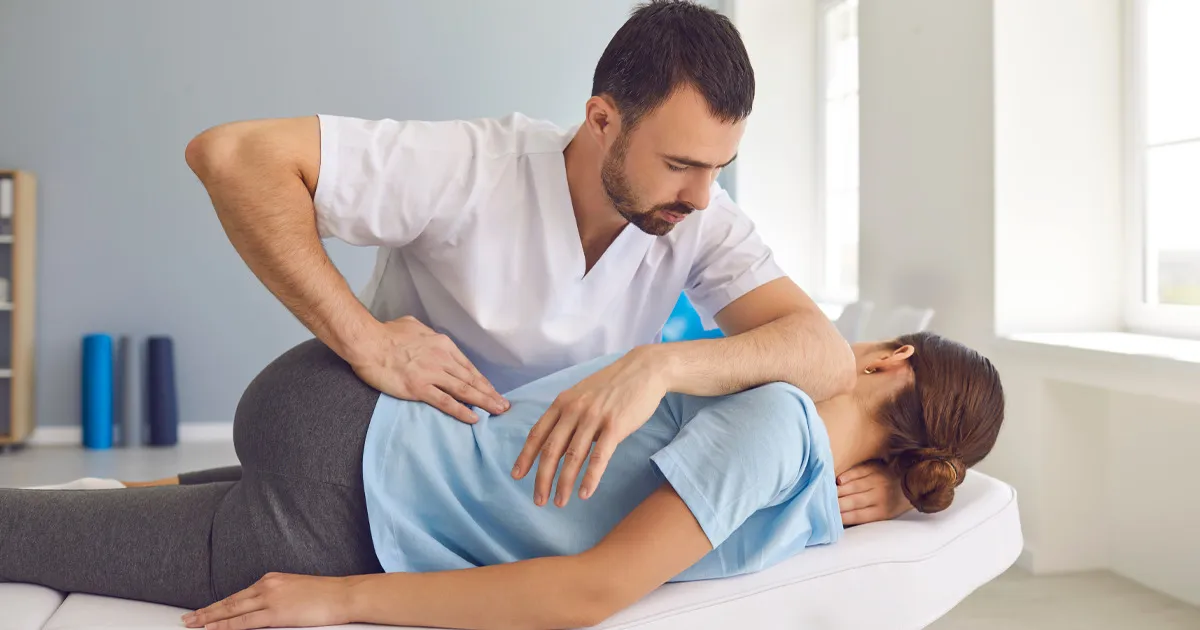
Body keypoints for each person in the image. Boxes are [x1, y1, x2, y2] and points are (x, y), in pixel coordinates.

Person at [181, 0, 909, 526]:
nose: (702, 194)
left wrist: (657, 367)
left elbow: (820, 352)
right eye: (681, 163)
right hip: (376, 448)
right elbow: (233, 156)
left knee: (203, 497)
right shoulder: (472, 167)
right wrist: (365, 340)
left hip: (518, 482)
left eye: (721, 167)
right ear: (602, 120)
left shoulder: (699, 216)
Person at [2, 330, 1005, 630]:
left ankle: (163, 494)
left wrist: (340, 596)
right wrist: (336, 594)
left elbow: (588, 585)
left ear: (887, 357)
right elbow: (591, 584)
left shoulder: (778, 432)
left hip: (345, 446)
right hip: (340, 487)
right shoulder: (785, 438)